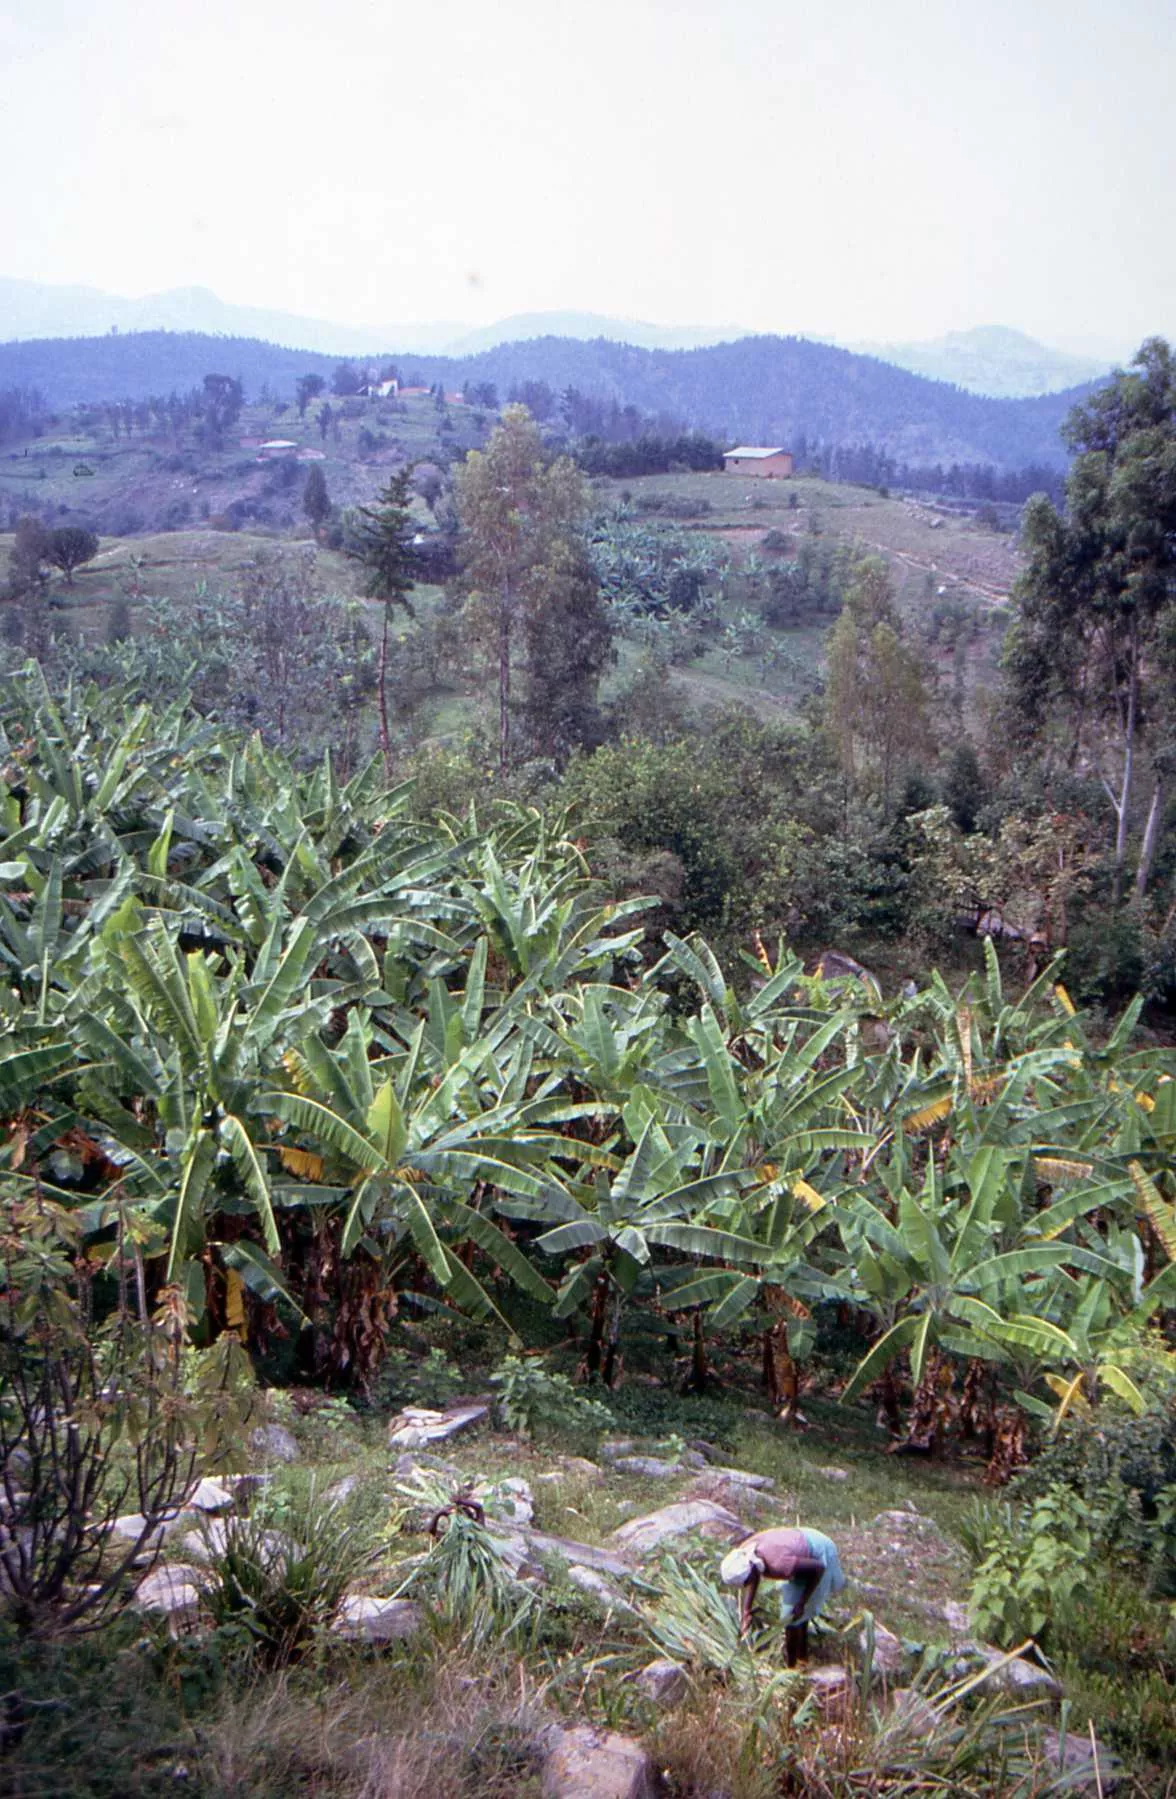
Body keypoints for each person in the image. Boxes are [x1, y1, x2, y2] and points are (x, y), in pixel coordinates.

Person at [719, 1526, 846, 1665]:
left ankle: (794, 1665)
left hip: (819, 1550)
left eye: (747, 1581)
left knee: (792, 1617)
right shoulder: (745, 1554)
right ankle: (800, 1659)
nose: (748, 1584)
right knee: (793, 1615)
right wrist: (746, 1612)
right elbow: (753, 1577)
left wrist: (802, 1602)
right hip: (796, 1545)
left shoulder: (779, 1564)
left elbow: (819, 1567)